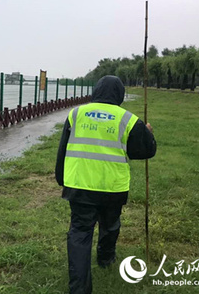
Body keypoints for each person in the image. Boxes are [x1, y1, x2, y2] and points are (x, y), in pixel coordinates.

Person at [55, 75, 156, 294]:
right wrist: (147, 134)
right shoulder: (128, 119)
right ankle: (105, 258)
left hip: (79, 185)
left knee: (80, 233)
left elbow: (63, 148)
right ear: (120, 95)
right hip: (113, 188)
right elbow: (145, 151)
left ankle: (79, 289)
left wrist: (61, 178)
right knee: (110, 225)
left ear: (96, 91)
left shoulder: (76, 114)